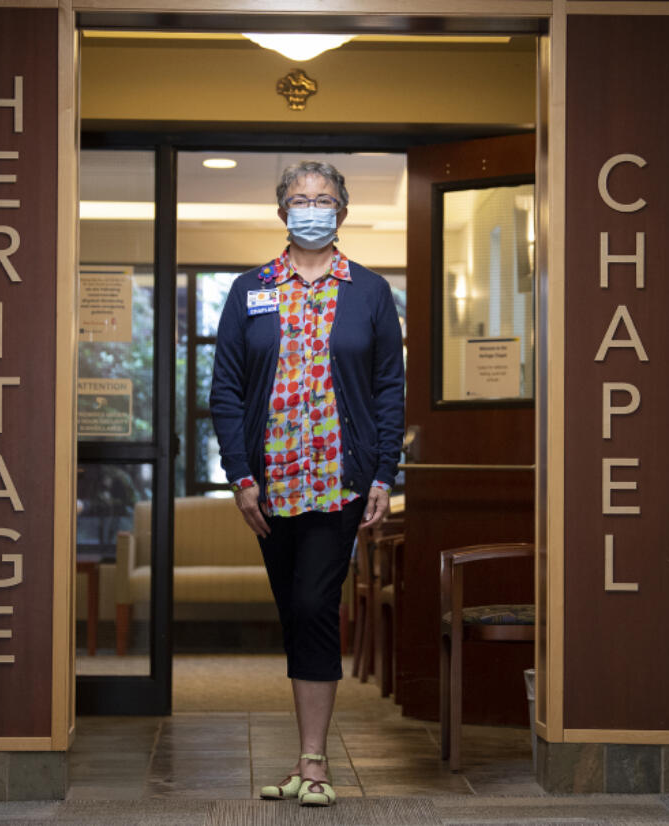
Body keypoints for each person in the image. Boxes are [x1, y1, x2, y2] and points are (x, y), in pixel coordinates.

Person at [210, 160, 404, 807]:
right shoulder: (250, 290)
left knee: (315, 606)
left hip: (338, 483)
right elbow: (228, 390)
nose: (311, 208)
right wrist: (240, 476)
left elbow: (387, 390)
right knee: (295, 614)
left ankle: (315, 765)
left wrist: (382, 472)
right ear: (282, 212)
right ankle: (304, 760)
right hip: (271, 486)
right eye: (299, 199)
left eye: (323, 199)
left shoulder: (371, 292)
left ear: (342, 211)